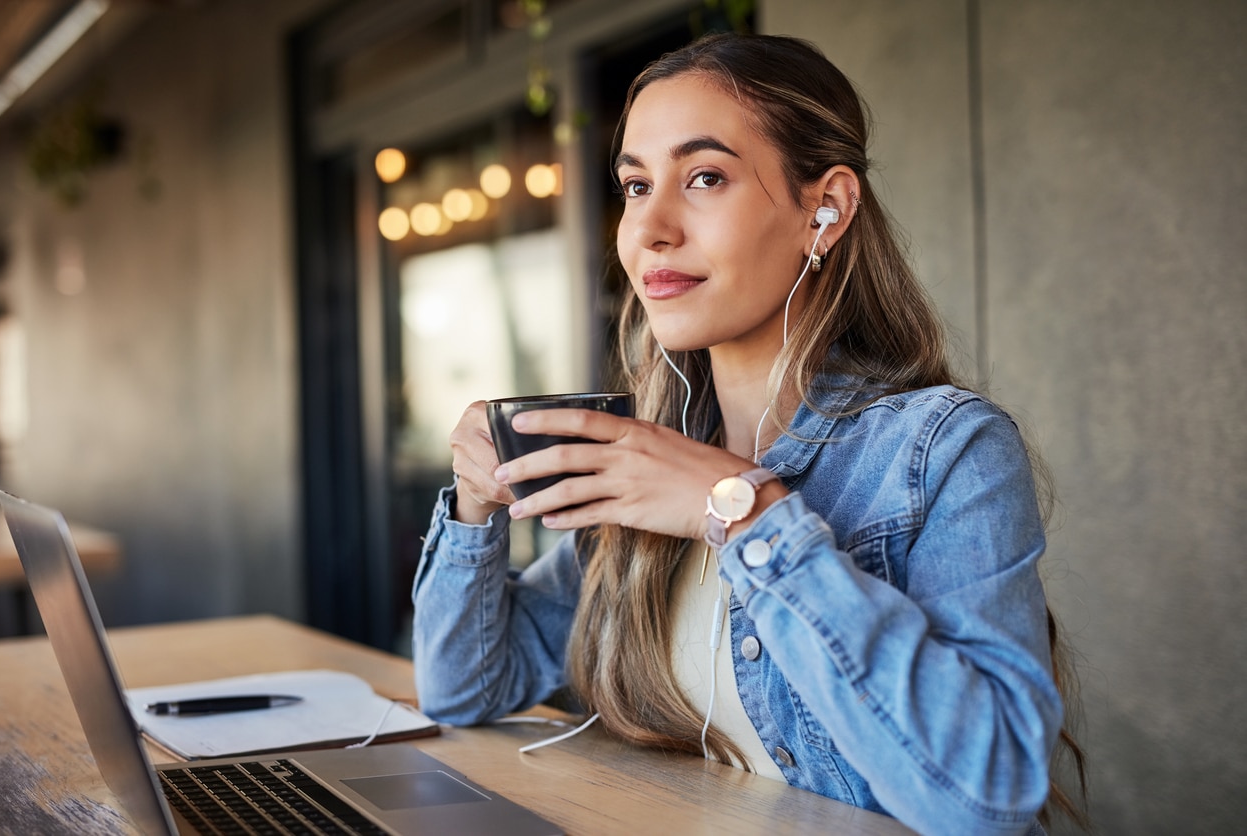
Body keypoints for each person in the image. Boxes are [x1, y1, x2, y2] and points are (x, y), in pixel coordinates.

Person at [412, 32, 1087, 835]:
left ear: (826, 209)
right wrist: (475, 507)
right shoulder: (646, 460)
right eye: (635, 186)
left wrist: (742, 511)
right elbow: (464, 689)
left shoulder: (943, 451)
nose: (649, 228)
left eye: (705, 177)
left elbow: (988, 798)